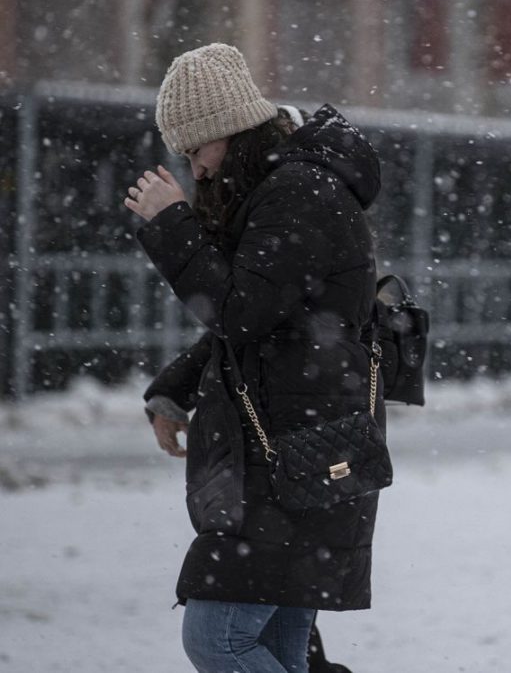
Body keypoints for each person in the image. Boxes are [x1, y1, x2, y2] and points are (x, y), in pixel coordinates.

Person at [125, 43, 381, 673]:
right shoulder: (281, 188)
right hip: (295, 452)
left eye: (197, 151)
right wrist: (174, 389)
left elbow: (242, 312)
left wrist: (171, 225)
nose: (196, 170)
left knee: (219, 641)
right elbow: (264, 322)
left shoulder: (298, 192)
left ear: (230, 133)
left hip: (293, 456)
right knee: (277, 648)